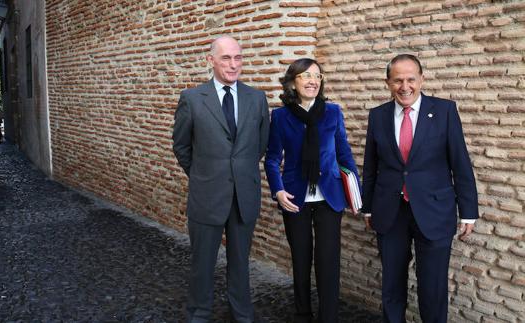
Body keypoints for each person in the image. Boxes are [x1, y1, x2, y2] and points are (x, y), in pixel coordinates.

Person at [361, 54, 478, 323]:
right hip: (390, 212)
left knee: (433, 287)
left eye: (411, 79)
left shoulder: (445, 111)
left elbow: (460, 162)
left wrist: (468, 211)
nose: (405, 87)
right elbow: (370, 166)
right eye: (398, 80)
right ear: (388, 83)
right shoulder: (377, 116)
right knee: (391, 284)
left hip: (435, 211)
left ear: (422, 79)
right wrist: (368, 207)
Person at [172, 36, 270, 323]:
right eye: (226, 58)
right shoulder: (192, 99)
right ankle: (199, 314)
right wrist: (203, 176)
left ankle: (242, 314)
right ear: (210, 60)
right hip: (207, 196)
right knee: (202, 263)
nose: (233, 64)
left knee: (240, 263)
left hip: (244, 196)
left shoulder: (257, 98)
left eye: (238, 57)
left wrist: (239, 174)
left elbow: (259, 145)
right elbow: (181, 146)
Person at [264, 58, 359, 323]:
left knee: (328, 263)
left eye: (317, 76)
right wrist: (278, 191)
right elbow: (272, 158)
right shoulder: (281, 116)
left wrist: (355, 193)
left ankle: (328, 317)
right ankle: (302, 314)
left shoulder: (333, 112)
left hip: (329, 197)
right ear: (293, 82)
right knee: (301, 260)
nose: (313, 81)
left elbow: (344, 155)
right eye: (306, 76)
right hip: (295, 198)